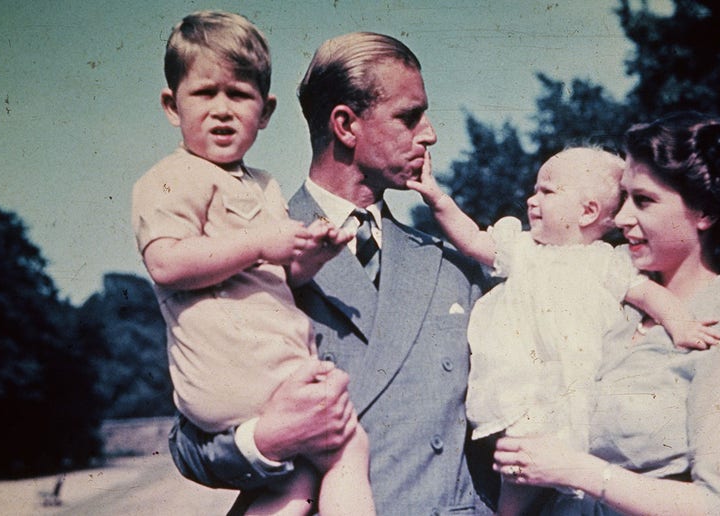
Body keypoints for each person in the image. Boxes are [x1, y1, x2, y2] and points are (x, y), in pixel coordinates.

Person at [167, 31, 496, 515]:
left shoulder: (451, 266)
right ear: (345, 124)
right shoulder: (243, 254)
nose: (430, 134)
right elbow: (190, 444)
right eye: (409, 116)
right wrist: (268, 439)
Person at [131, 11, 375, 515]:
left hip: (269, 366)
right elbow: (166, 264)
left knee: (299, 478)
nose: (222, 110)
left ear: (264, 112)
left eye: (239, 95)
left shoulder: (262, 184)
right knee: (349, 445)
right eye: (204, 93)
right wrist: (262, 240)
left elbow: (278, 276)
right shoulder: (170, 179)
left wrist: (311, 257)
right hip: (232, 370)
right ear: (171, 105)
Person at [492, 112, 720, 515]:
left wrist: (579, 471)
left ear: (704, 212)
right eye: (624, 197)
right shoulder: (607, 302)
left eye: (644, 200)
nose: (621, 218)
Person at [408, 146, 720, 515]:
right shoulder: (523, 249)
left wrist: (681, 324)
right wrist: (437, 198)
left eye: (547, 191)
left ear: (587, 211)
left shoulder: (605, 263)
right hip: (519, 390)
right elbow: (474, 239)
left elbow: (650, 294)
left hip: (571, 391)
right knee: (519, 469)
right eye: (535, 189)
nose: (531, 199)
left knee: (551, 473)